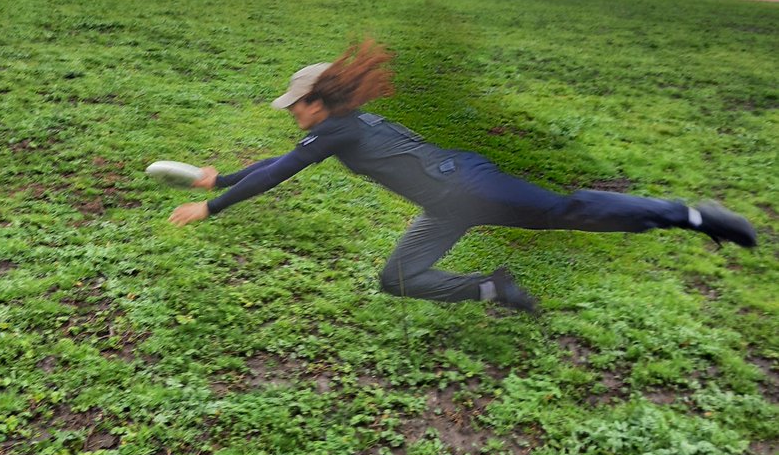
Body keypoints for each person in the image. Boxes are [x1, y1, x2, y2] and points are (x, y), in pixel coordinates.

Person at [166, 41, 757, 313]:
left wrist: (212, 209)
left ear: (320, 102)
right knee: (396, 279)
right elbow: (277, 164)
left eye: (297, 103)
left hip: (470, 186)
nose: (291, 111)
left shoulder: (338, 130)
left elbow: (281, 172)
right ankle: (493, 288)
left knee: (567, 211)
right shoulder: (338, 127)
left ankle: (692, 215)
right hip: (448, 204)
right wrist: (218, 182)